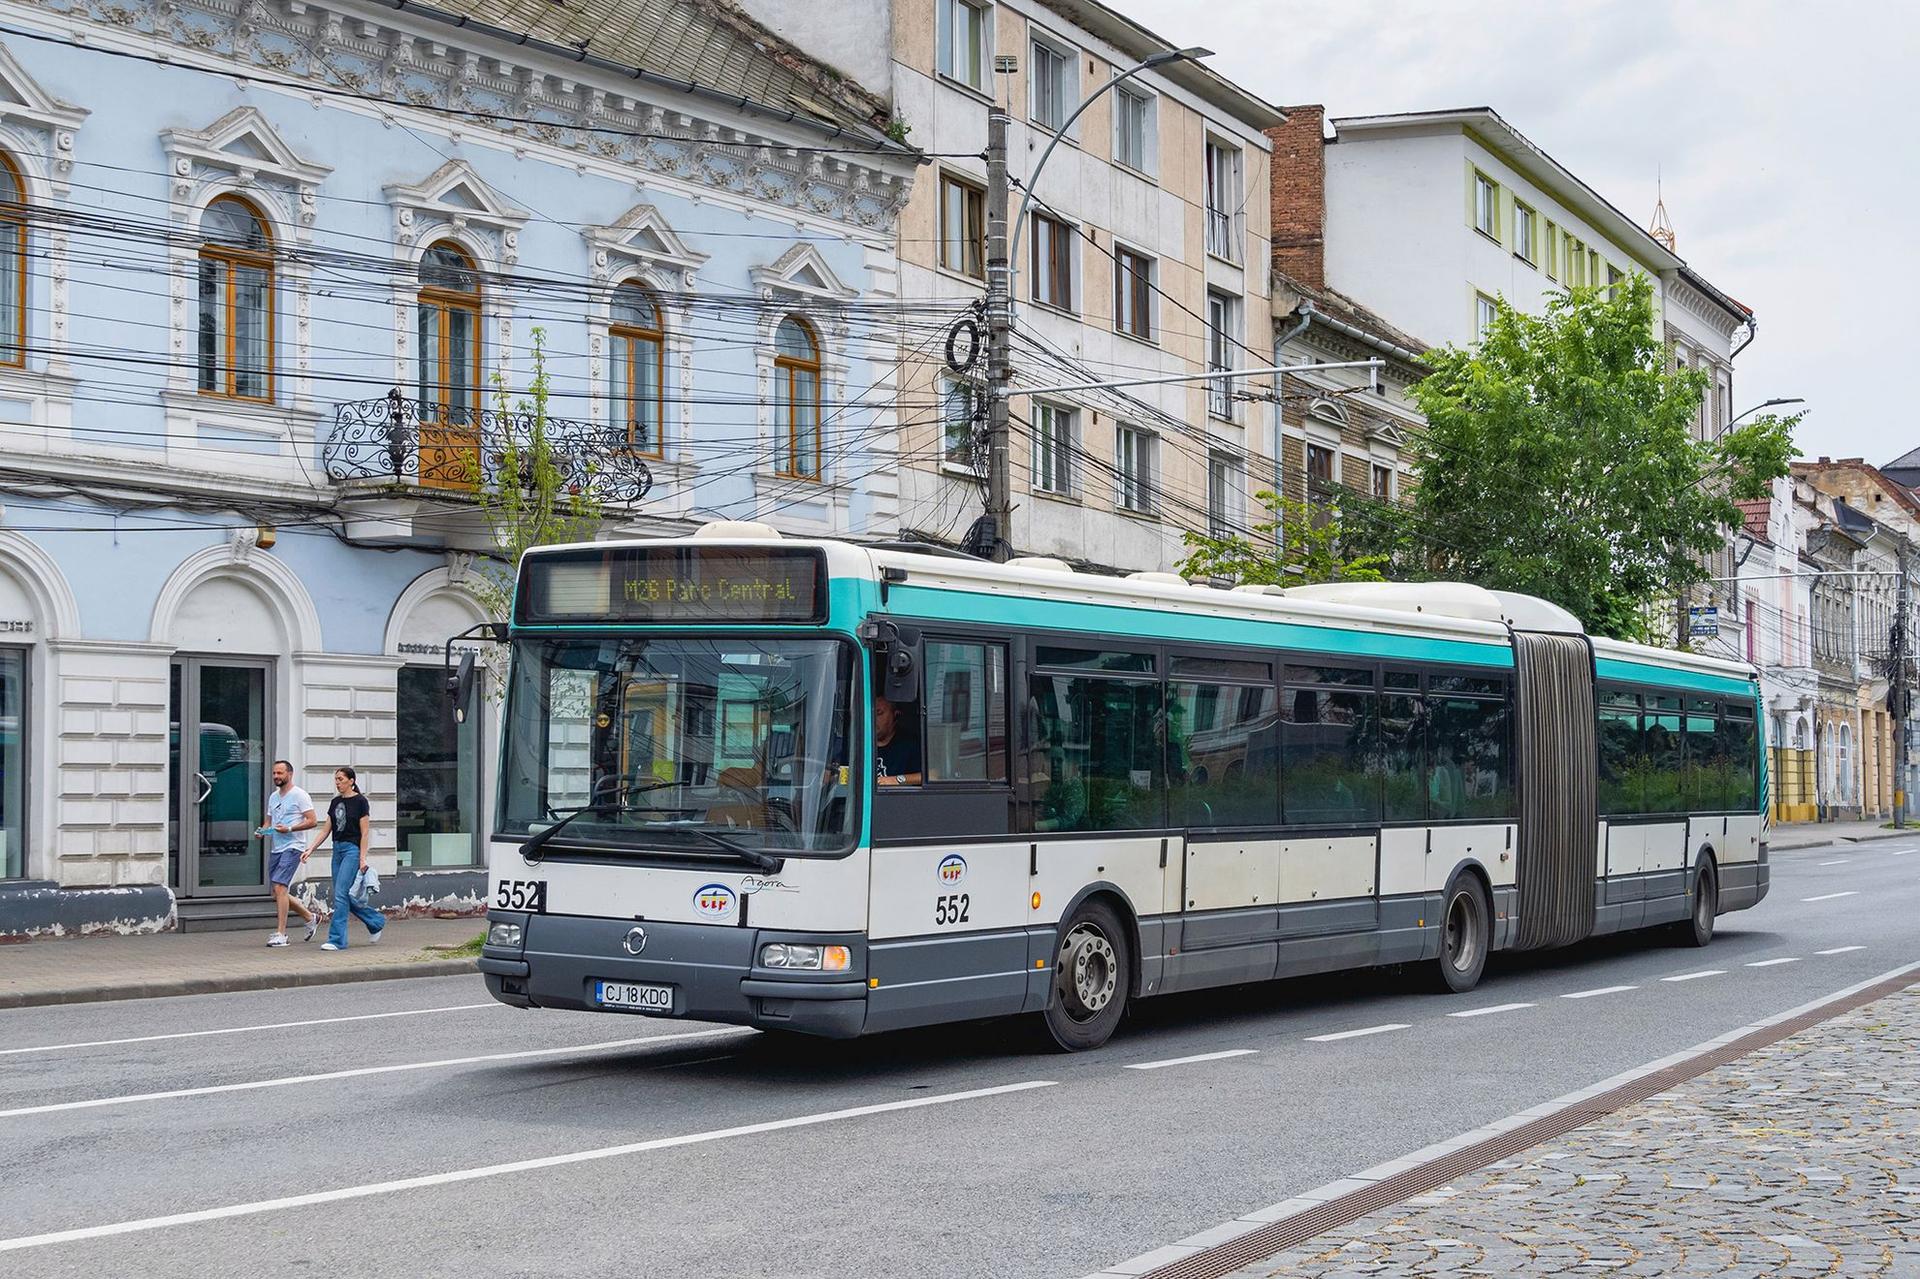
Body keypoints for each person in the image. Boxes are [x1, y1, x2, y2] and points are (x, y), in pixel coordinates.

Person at [303, 765, 384, 951]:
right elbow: (326, 830)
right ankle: (375, 921)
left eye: (341, 779)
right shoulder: (335, 802)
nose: (337, 783)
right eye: (336, 779)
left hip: (352, 851)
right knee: (344, 895)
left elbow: (364, 833)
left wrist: (362, 858)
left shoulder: (361, 802)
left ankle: (337, 940)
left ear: (351, 781)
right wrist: (310, 849)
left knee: (340, 894)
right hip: (337, 850)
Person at [258, 759, 319, 947]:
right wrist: (262, 831)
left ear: (289, 774)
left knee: (280, 888)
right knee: (276, 893)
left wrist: (290, 828)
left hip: (293, 846)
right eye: (275, 773)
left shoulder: (300, 795)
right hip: (277, 847)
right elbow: (269, 822)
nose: (276, 776)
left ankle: (281, 934)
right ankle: (310, 917)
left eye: (280, 773)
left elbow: (313, 820)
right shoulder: (273, 797)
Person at [873, 692, 922, 786]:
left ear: (895, 715)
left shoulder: (909, 744)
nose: (873, 719)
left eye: (879, 713)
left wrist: (897, 779)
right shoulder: (857, 745)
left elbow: (932, 775)